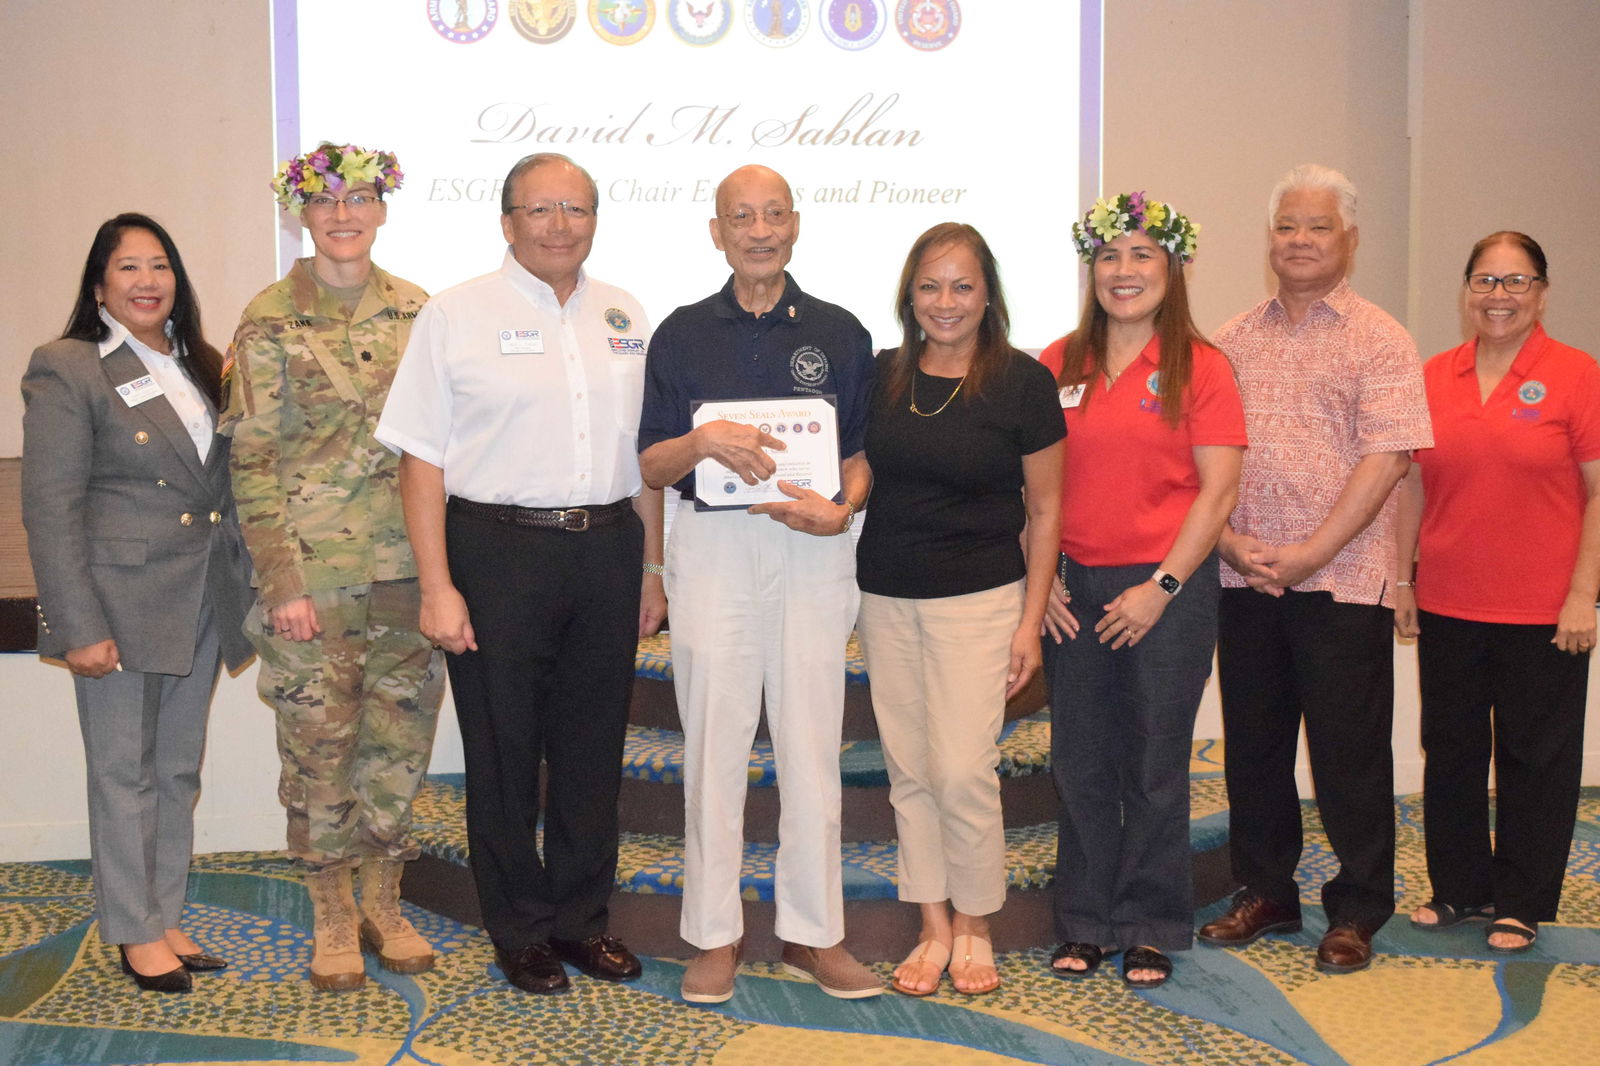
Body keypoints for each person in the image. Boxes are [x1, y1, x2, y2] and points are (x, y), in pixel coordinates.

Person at [376, 152, 665, 996]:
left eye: (575, 209)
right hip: (497, 553)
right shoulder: (456, 314)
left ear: (594, 221)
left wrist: (651, 565)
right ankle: (521, 931)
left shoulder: (626, 312)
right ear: (507, 222)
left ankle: (581, 923)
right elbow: (420, 459)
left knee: (590, 750)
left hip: (608, 548)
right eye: (540, 210)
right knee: (504, 756)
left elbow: (641, 456)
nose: (559, 225)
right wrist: (437, 583)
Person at [638, 164, 882, 1004]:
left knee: (812, 743)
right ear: (716, 231)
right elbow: (650, 461)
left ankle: (814, 936)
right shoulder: (678, 334)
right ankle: (715, 935)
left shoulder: (843, 333)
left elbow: (858, 458)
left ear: (796, 224)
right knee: (715, 741)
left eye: (774, 212)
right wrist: (704, 443)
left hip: (814, 548)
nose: (759, 228)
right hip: (711, 548)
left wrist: (841, 507)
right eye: (741, 216)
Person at [222, 143, 446, 991]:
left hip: (406, 568)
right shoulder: (270, 316)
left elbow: (441, 450)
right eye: (326, 204)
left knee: (398, 741)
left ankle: (383, 902)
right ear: (302, 215)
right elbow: (252, 460)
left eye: (359, 201)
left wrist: (440, 577)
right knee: (319, 750)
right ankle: (329, 909)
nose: (343, 216)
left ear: (382, 210)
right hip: (313, 579)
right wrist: (280, 585)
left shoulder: (421, 312)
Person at [1198, 164, 1433, 974]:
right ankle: (1265, 892)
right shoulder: (1229, 339)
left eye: (1318, 226)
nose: (1300, 240)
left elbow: (1387, 462)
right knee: (1254, 749)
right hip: (1245, 577)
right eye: (1287, 226)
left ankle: (1358, 906)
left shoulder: (1381, 337)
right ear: (1268, 239)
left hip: (1339, 581)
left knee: (1348, 754)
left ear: (1351, 241)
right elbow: (1203, 459)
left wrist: (1310, 553)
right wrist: (1229, 543)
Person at [22, 213, 255, 993]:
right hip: (119, 603)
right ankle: (131, 930)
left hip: (199, 596)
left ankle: (163, 914)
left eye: (160, 265)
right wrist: (76, 625)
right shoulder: (70, 366)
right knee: (124, 773)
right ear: (99, 286)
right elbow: (50, 506)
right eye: (128, 268)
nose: (148, 280)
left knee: (177, 771)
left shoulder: (203, 364)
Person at [1038, 193, 1244, 989]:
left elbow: (1217, 493)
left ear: (1173, 268)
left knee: (1155, 762)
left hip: (1170, 590)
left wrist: (1160, 586)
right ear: (1092, 269)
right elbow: (1035, 491)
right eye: (1109, 257)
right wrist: (1044, 581)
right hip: (1073, 589)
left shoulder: (1205, 366)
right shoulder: (1058, 360)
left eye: (1142, 256)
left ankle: (1153, 924)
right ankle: (1084, 923)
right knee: (1079, 761)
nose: (1123, 272)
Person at [854, 223, 1063, 996]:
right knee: (910, 771)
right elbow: (858, 474)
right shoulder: (882, 376)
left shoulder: (1023, 382)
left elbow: (1045, 512)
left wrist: (1030, 621)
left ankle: (977, 924)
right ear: (910, 294)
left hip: (981, 600)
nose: (946, 302)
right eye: (931, 286)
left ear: (988, 295)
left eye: (963, 286)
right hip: (885, 595)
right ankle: (933, 923)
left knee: (963, 769)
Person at [1395, 232, 1599, 954]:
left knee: (1534, 757)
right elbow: (1413, 483)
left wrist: (1584, 595)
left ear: (1542, 292)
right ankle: (1458, 888)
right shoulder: (1433, 374)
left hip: (1543, 608)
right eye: (1485, 280)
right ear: (1466, 290)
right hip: (1449, 599)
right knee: (1449, 749)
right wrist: (1404, 577)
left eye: (1516, 282)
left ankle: (1521, 900)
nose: (1499, 296)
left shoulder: (1577, 375)